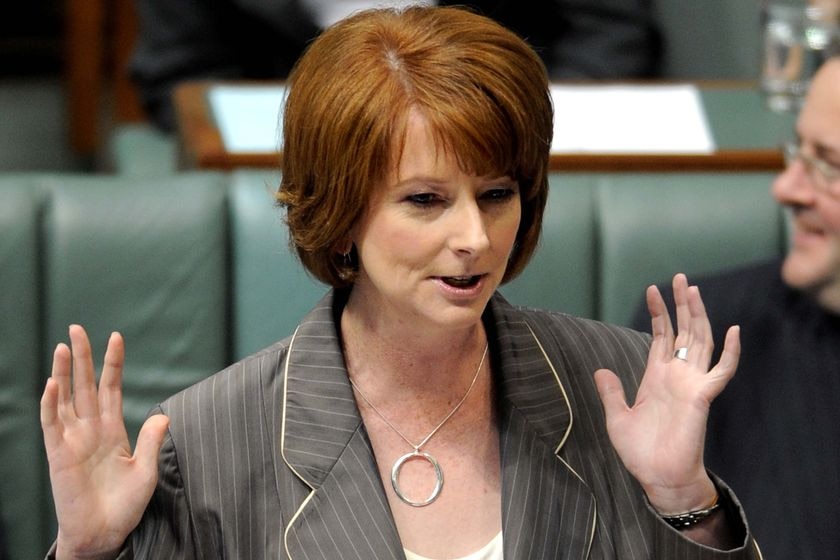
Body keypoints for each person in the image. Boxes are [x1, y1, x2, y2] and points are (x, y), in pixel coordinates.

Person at [42, 6, 759, 559]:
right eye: (425, 200)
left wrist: (682, 502)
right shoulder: (209, 441)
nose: (474, 239)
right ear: (341, 209)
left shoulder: (624, 386)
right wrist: (88, 552)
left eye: (497, 195)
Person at [631, 56, 840, 559]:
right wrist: (687, 507)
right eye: (797, 153)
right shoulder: (700, 342)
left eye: (828, 165)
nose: (786, 189)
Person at [130, 0, 662, 132]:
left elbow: (611, 32)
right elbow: (181, 72)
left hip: (505, 138)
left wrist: (506, 131)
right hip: (284, 161)